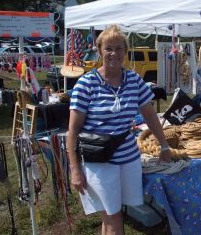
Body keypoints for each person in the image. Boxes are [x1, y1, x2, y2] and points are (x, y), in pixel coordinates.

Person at [66, 25, 172, 235]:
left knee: (111, 214)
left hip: (129, 159)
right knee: (113, 217)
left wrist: (164, 145)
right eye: (108, 48)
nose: (114, 53)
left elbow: (150, 115)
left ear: (125, 51)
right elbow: (73, 130)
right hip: (100, 163)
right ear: (100, 51)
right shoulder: (86, 84)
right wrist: (75, 169)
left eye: (119, 48)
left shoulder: (133, 80)